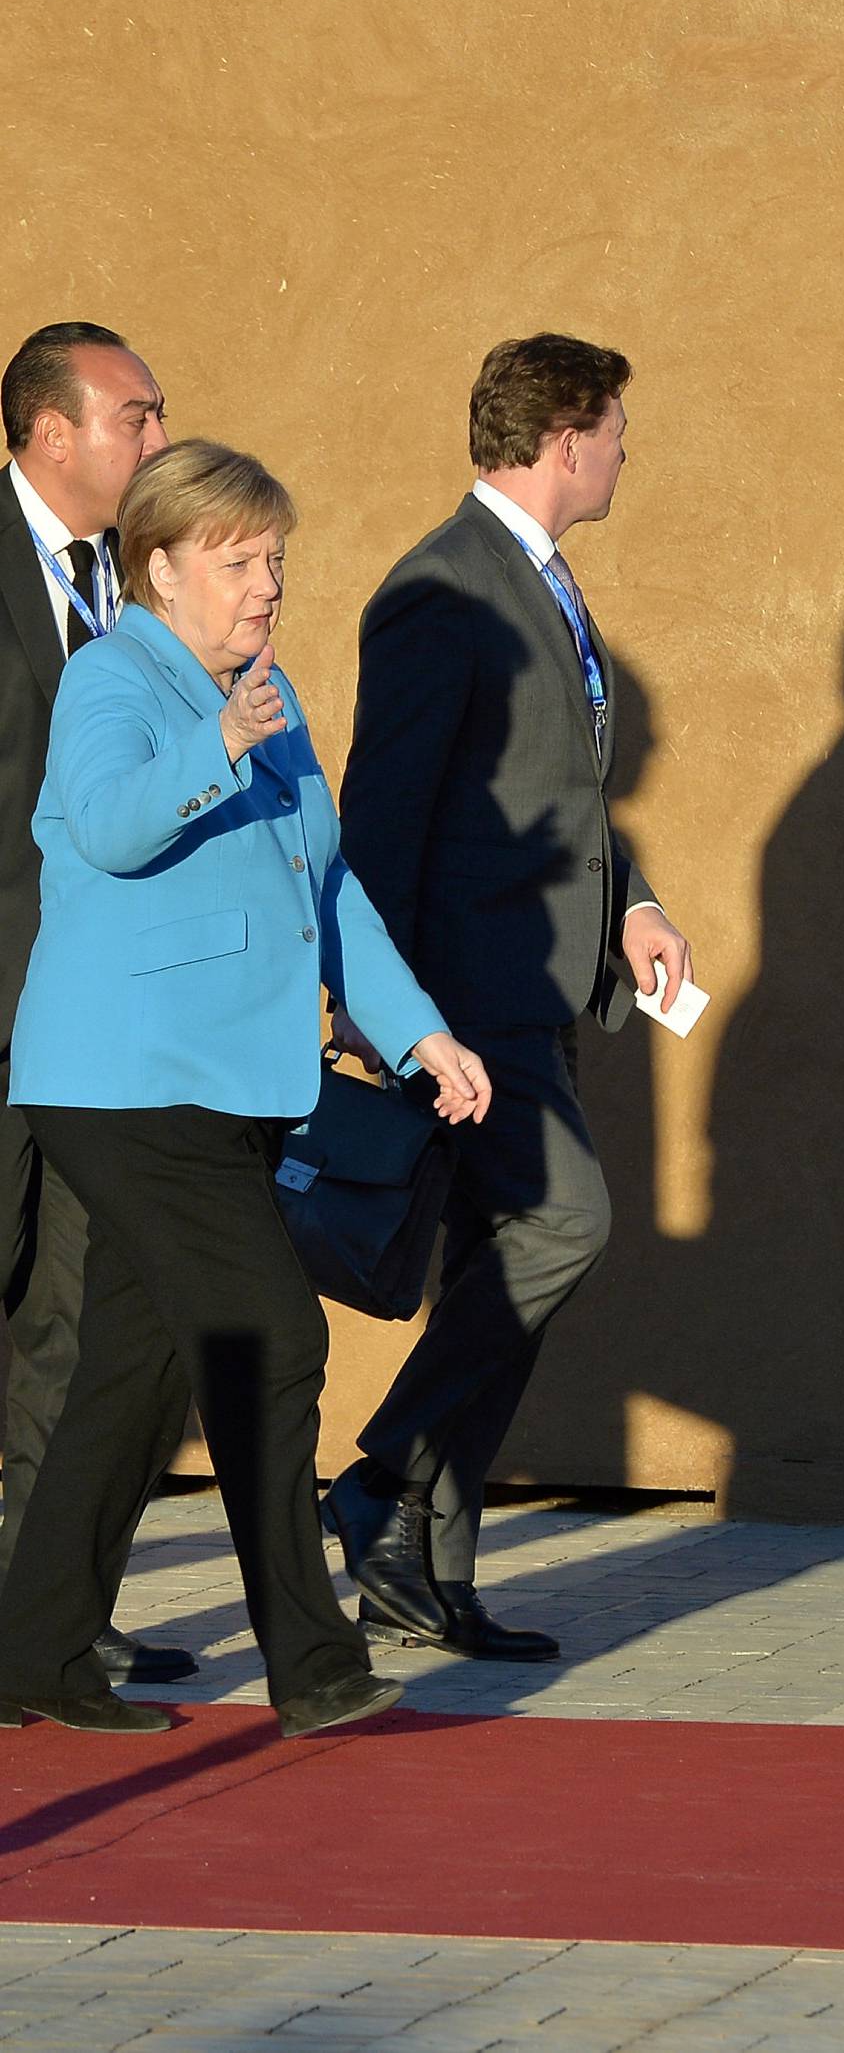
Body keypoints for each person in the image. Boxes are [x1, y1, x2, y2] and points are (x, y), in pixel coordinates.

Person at [0, 439, 491, 1737]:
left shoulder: (269, 691)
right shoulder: (118, 677)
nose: (266, 582)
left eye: (274, 556)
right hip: (125, 1082)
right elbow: (104, 822)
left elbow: (326, 888)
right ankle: (315, 1661)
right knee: (275, 1336)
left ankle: (33, 1651)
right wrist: (215, 742)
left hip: (229, 1085)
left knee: (136, 1374)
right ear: (162, 566)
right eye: (237, 559)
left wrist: (420, 1033)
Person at [329, 333, 690, 1661]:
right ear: (562, 437)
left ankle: (427, 1566)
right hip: (466, 996)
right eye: (613, 426)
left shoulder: (541, 579)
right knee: (565, 1223)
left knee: (497, 1260)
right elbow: (386, 812)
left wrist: (634, 903)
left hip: (538, 984)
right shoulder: (444, 589)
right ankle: (378, 1477)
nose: (624, 450)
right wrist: (386, 1005)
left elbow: (563, 794)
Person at [0, 321, 195, 1688]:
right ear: (52, 432)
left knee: (75, 1320)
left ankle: (46, 1608)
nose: (158, 441)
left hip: (99, 1030)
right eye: (138, 415)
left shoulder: (137, 593)